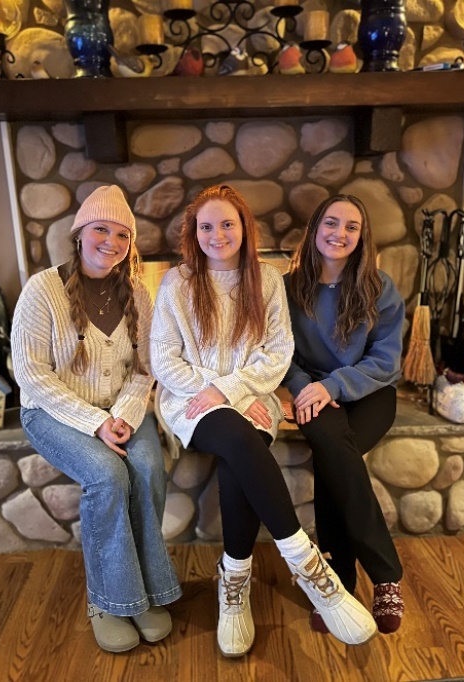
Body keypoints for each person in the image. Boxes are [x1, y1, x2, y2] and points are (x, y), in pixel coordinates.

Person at [150, 184, 378, 658]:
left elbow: (278, 354)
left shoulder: (268, 279)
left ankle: (234, 580)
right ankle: (310, 566)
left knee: (241, 448)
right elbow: (164, 360)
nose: (217, 234)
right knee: (238, 436)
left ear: (244, 228)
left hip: (254, 398)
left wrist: (232, 391)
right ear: (194, 232)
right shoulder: (176, 283)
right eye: (206, 226)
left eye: (227, 224)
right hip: (191, 400)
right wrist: (218, 392)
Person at [11, 185, 182, 653]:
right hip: (53, 412)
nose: (111, 241)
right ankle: (107, 599)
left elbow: (145, 370)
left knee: (146, 467)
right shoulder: (41, 291)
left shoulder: (138, 294)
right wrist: (95, 422)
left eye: (122, 234)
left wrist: (123, 415)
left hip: (123, 410)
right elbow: (31, 376)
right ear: (79, 233)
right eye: (101, 229)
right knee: (108, 476)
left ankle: (143, 592)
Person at [283, 194, 405, 635]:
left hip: (370, 392)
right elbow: (283, 355)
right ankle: (384, 572)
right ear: (315, 229)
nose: (340, 233)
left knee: (335, 457)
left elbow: (387, 362)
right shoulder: (287, 288)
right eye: (331, 223)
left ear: (361, 236)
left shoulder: (380, 288)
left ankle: (338, 579)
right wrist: (305, 387)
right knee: (333, 447)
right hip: (310, 391)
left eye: (351, 227)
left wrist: (333, 384)